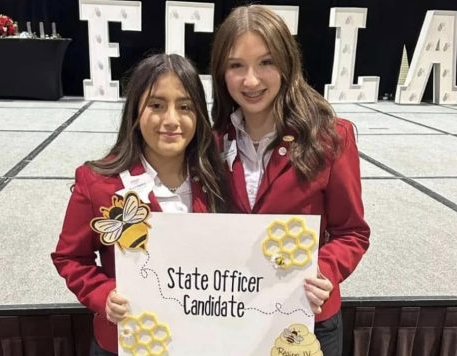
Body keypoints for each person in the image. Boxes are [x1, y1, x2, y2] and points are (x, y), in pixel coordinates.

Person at [210, 5, 370, 355]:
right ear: (222, 71)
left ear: (287, 63)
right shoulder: (213, 141)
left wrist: (323, 271)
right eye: (237, 65)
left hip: (306, 317)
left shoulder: (330, 137)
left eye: (266, 62)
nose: (251, 81)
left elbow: (352, 232)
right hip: (234, 313)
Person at [51, 53, 227, 356]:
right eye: (156, 105)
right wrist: (103, 294)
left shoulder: (215, 178)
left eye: (185, 107)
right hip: (128, 341)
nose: (171, 120)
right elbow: (70, 258)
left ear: (199, 115)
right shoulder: (98, 183)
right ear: (135, 111)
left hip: (199, 339)